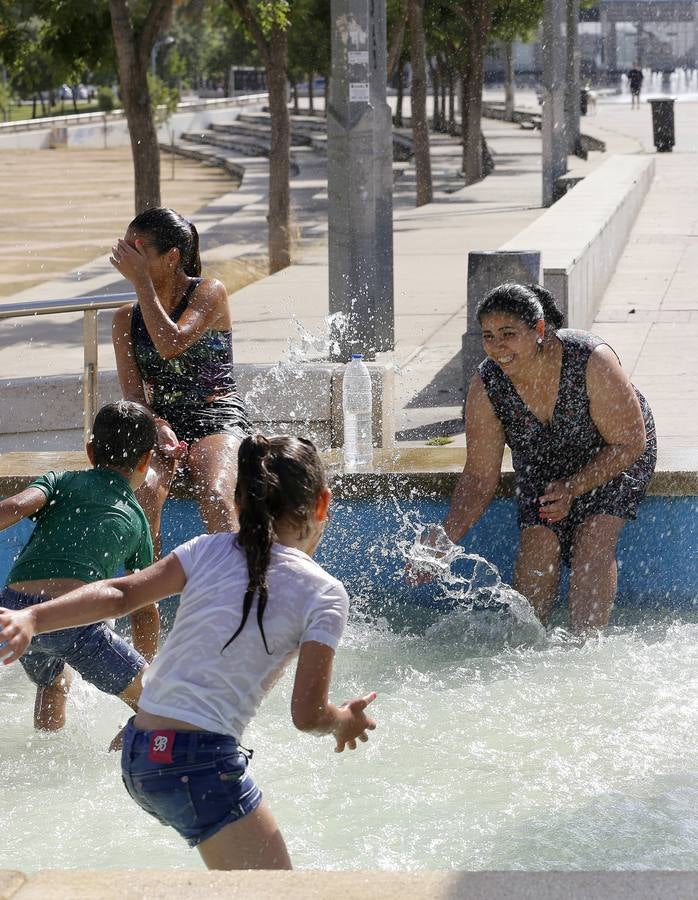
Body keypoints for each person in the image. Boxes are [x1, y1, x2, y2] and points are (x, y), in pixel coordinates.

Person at [0, 434, 377, 870]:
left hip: (141, 751)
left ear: (238, 503)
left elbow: (121, 595)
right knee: (275, 892)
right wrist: (343, 720)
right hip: (197, 764)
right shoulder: (324, 594)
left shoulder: (205, 550)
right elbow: (307, 715)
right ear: (321, 504)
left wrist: (32, 618)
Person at [436, 283, 656, 631]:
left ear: (538, 330)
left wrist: (574, 486)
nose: (497, 347)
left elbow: (630, 442)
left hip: (613, 451)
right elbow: (479, 477)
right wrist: (444, 538)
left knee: (591, 541)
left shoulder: (589, 360)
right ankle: (528, 648)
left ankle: (585, 649)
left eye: (508, 333)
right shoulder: (487, 387)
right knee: (539, 542)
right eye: (489, 336)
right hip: (544, 458)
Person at [0, 401, 157, 731]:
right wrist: (146, 669)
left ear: (89, 450)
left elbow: (13, 506)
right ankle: (137, 754)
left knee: (53, 681)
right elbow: (144, 610)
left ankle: (47, 747)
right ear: (146, 459)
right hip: (74, 622)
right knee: (160, 705)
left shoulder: (61, 480)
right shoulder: (139, 523)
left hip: (14, 613)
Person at [110, 207, 251, 554]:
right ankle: (145, 604)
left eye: (136, 251)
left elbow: (171, 344)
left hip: (215, 413)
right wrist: (155, 424)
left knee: (216, 494)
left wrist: (141, 282)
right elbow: (133, 394)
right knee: (141, 498)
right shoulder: (125, 319)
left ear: (172, 257)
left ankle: (237, 598)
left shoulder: (209, 292)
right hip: (160, 421)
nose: (126, 259)